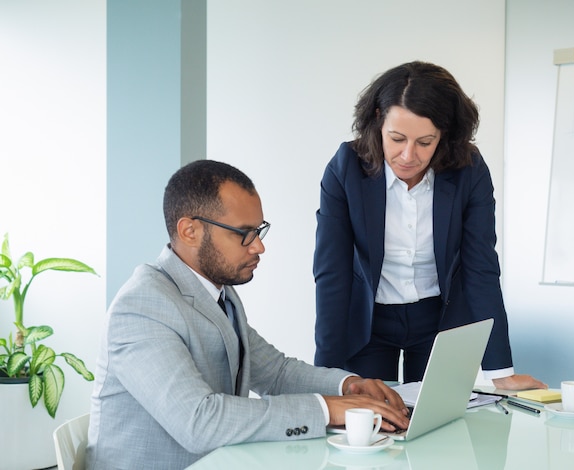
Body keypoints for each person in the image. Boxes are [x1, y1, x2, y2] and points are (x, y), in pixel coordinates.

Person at [86, 160, 409, 469]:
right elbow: (199, 421)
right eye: (243, 233)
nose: (258, 247)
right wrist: (325, 410)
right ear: (189, 231)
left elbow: (275, 373)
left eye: (259, 231)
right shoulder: (143, 307)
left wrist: (349, 386)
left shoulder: (218, 293)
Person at [313, 60, 546, 391]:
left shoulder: (470, 171)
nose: (408, 155)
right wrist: (327, 376)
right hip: (367, 323)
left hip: (441, 320)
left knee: (437, 423)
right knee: (373, 421)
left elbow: (480, 269)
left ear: (445, 135)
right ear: (377, 120)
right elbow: (331, 274)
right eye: (396, 138)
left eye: (425, 142)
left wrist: (500, 372)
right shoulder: (345, 169)